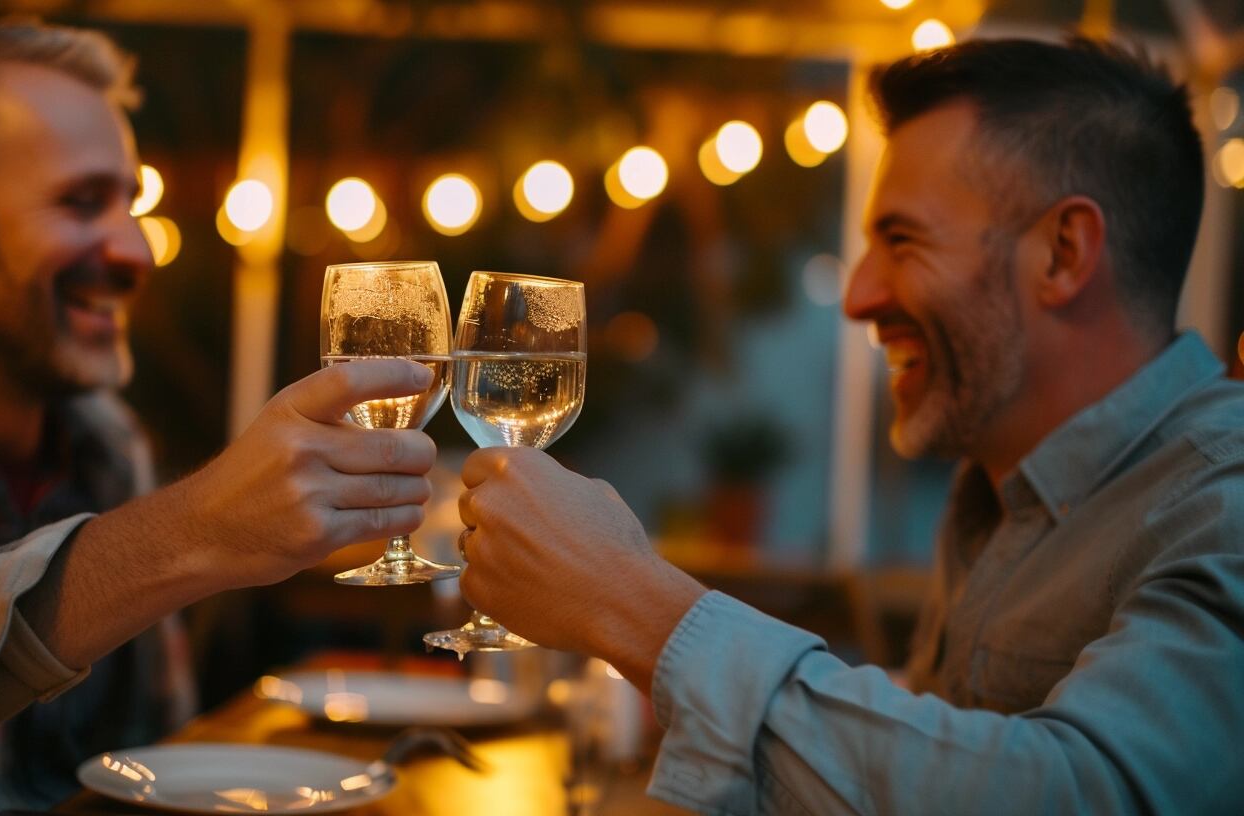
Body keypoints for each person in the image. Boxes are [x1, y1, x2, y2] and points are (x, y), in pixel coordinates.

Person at [455, 37, 1244, 814]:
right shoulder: (1003, 493)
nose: (861, 295)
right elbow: (955, 754)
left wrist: (632, 604)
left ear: (1064, 254)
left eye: (902, 241)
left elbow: (1079, 793)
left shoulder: (1223, 497)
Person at [0, 19, 439, 814]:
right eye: (82, 202)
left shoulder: (107, 440)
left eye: (131, 204)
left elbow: (161, 773)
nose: (137, 251)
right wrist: (188, 531)